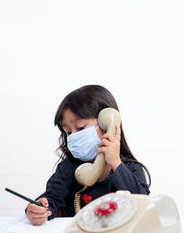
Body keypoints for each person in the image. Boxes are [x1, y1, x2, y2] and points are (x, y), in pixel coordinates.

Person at [26, 85, 151, 225]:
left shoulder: (131, 169)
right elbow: (52, 199)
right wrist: (39, 209)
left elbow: (143, 205)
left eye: (80, 128)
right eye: (68, 132)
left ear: (106, 124)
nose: (73, 136)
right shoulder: (68, 168)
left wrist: (115, 163)